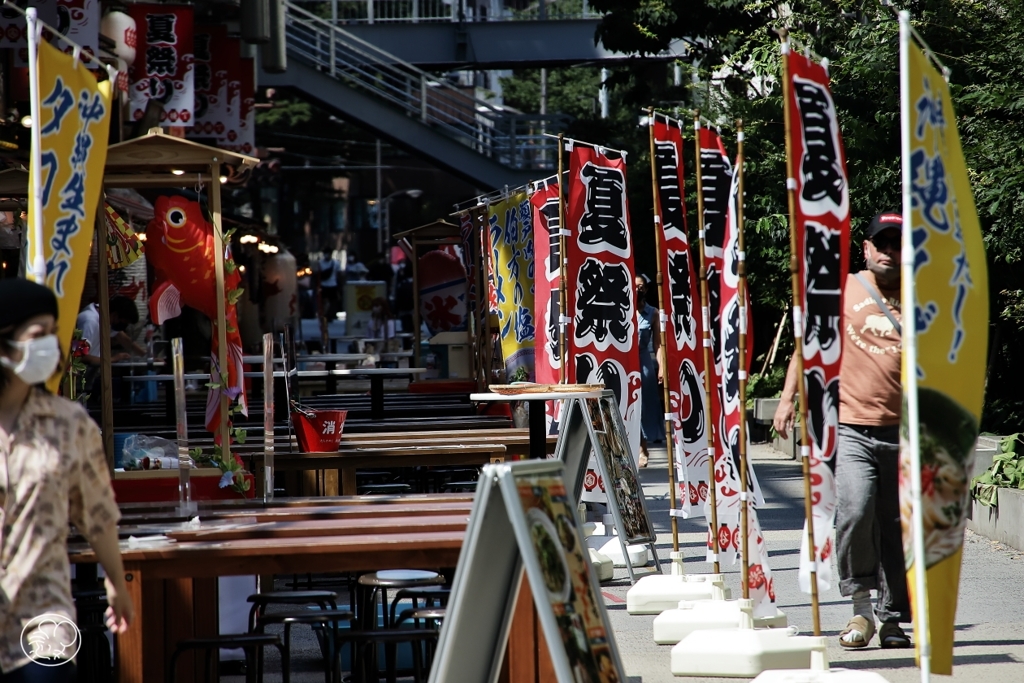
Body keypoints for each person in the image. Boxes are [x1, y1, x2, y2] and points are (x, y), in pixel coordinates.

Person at [773, 210, 911, 649]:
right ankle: (861, 609)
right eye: (881, 243)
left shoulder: (924, 297)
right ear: (866, 249)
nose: (889, 251)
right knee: (855, 510)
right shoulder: (843, 290)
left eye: (897, 243)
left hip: (905, 432)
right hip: (850, 427)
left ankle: (892, 621)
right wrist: (787, 398)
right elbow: (806, 345)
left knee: (895, 526)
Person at [0, 279, 133, 681]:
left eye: (51, 334)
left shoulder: (69, 422)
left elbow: (97, 513)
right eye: (36, 335)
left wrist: (117, 582)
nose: (48, 346)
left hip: (45, 610)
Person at [635, 274, 665, 468]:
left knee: (644, 407)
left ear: (646, 289)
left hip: (643, 360)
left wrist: (662, 367)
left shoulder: (652, 312)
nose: (638, 289)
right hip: (624, 362)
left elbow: (658, 344)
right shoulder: (621, 310)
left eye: (641, 286)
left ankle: (643, 447)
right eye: (634, 286)